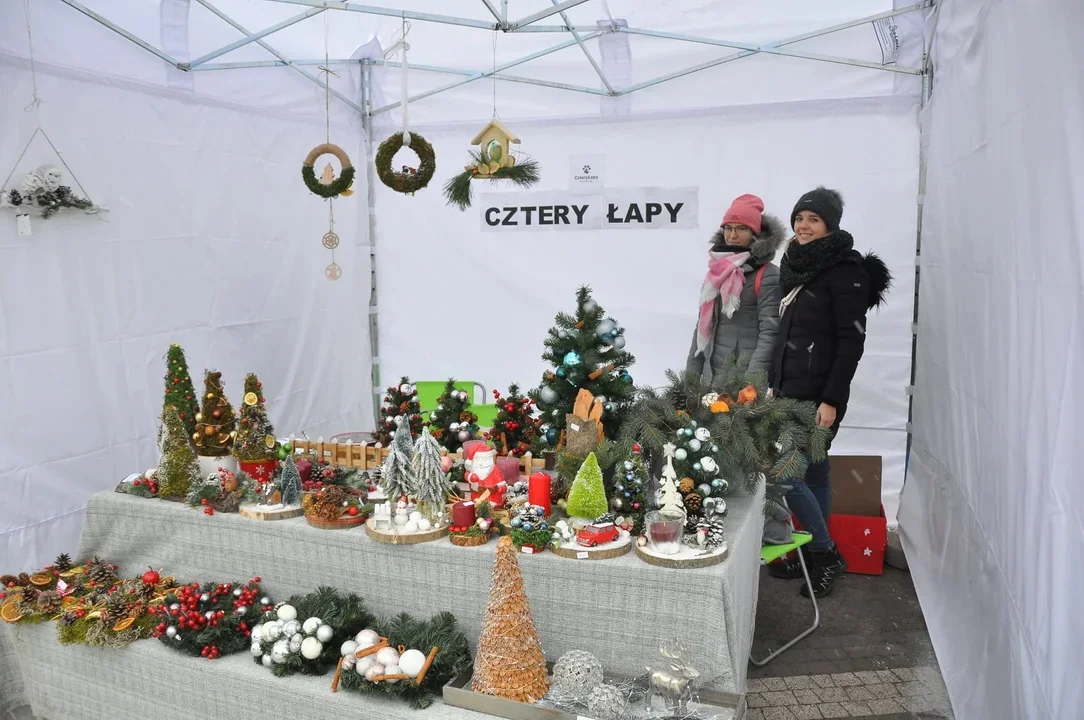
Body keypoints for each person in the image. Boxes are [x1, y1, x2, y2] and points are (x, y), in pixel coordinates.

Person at [768, 187, 891, 598]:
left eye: (813, 220)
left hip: (818, 396)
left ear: (830, 225)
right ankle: (814, 556)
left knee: (785, 475)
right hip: (788, 389)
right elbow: (790, 333)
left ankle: (825, 552)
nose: (803, 226)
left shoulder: (844, 270)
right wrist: (774, 380)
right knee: (816, 473)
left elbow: (850, 341)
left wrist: (832, 400)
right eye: (799, 218)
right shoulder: (796, 266)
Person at [686, 193, 786, 383]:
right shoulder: (717, 272)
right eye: (728, 228)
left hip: (742, 381)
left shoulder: (768, 275)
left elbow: (770, 334)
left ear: (755, 234)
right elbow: (702, 326)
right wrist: (691, 378)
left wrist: (752, 384)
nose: (732, 235)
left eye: (742, 228)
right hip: (711, 377)